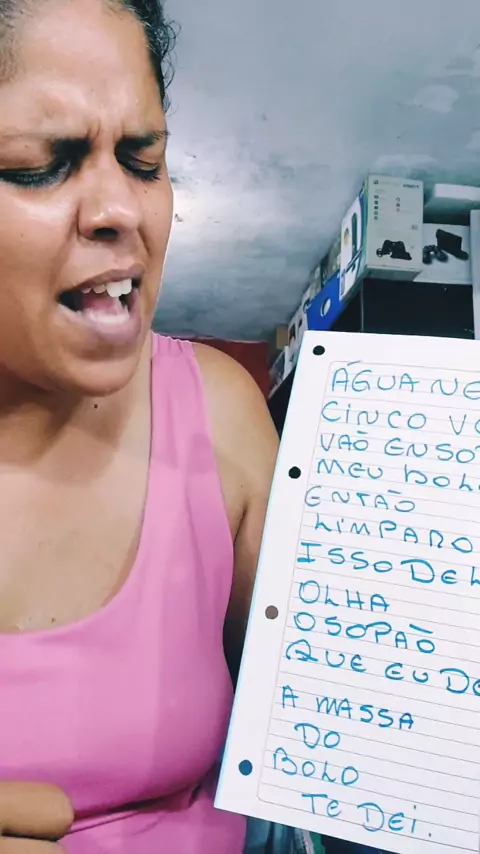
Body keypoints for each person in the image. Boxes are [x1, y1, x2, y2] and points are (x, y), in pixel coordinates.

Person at [0, 0, 279, 851]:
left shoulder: (221, 415)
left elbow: (342, 721)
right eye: (40, 167)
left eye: (143, 160)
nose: (122, 210)